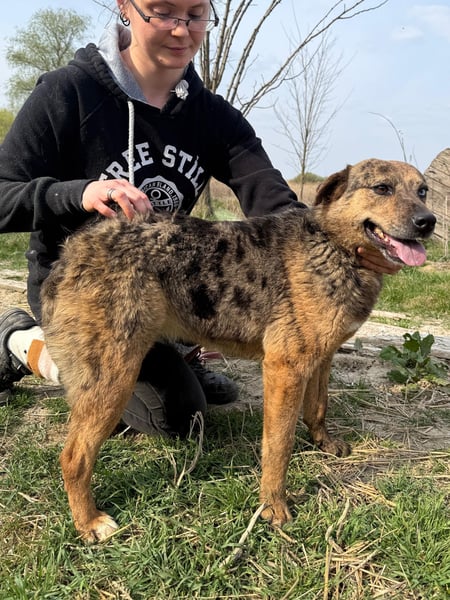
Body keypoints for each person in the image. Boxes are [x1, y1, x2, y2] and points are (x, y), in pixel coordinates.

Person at [0, 0, 399, 436]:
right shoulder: (67, 93)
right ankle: (25, 342)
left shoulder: (212, 115)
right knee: (168, 416)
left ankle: (176, 348)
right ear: (125, 7)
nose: (181, 29)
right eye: (162, 12)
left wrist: (345, 240)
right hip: (84, 288)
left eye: (195, 15)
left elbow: (274, 201)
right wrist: (77, 194)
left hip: (171, 286)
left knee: (194, 409)